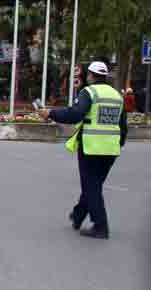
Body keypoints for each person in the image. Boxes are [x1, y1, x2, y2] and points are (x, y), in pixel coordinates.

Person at [39, 61, 127, 239]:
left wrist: (51, 113)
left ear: (90, 76)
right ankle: (78, 215)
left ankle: (101, 226)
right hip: (111, 148)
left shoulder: (89, 92)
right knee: (93, 185)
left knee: (91, 186)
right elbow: (123, 124)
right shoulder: (117, 95)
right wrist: (120, 142)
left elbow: (74, 114)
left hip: (92, 147)